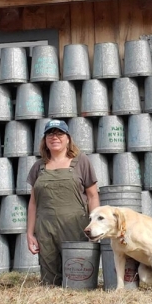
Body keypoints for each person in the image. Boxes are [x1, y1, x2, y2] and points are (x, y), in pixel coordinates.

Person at [26, 119, 100, 285]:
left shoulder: (81, 161)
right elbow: (33, 203)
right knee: (50, 283)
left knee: (78, 280)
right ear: (45, 140)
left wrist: (94, 226)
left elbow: (93, 196)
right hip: (46, 230)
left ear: (68, 138)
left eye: (60, 133)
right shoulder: (38, 167)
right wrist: (30, 234)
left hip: (76, 229)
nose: (55, 137)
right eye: (50, 134)